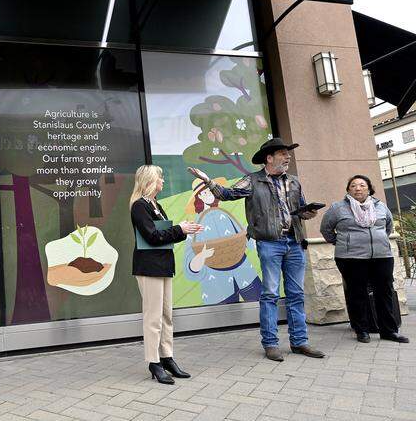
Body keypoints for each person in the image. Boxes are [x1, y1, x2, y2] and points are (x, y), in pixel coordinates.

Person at [187, 138, 325, 362]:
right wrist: (208, 181)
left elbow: (300, 209)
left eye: (288, 153)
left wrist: (307, 213)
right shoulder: (253, 180)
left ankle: (299, 341)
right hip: (270, 244)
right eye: (282, 153)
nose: (288, 157)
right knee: (270, 293)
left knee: (296, 294)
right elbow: (227, 194)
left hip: (294, 242)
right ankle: (270, 343)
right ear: (269, 158)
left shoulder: (294, 182)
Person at [130, 165, 203, 384]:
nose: (163, 181)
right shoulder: (139, 206)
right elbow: (152, 236)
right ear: (150, 180)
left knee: (166, 316)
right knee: (153, 317)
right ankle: (154, 362)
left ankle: (167, 357)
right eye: (160, 177)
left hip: (163, 265)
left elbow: (165, 234)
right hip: (149, 267)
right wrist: (179, 229)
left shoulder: (156, 205)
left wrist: (183, 230)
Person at [320, 175, 408, 344]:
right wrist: (343, 243)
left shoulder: (380, 206)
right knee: (357, 293)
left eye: (362, 185)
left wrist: (378, 240)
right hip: (351, 258)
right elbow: (326, 229)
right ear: (348, 190)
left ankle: (389, 331)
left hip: (382, 256)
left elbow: (388, 227)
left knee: (385, 292)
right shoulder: (338, 208)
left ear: (369, 188)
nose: (358, 188)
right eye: (353, 186)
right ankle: (362, 330)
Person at [183, 178, 262, 305]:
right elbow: (190, 268)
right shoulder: (195, 224)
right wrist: (201, 257)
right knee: (223, 317)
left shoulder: (225, 215)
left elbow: (246, 238)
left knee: (261, 306)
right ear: (198, 197)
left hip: (245, 272)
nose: (208, 194)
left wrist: (259, 236)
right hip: (216, 281)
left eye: (210, 191)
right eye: (203, 192)